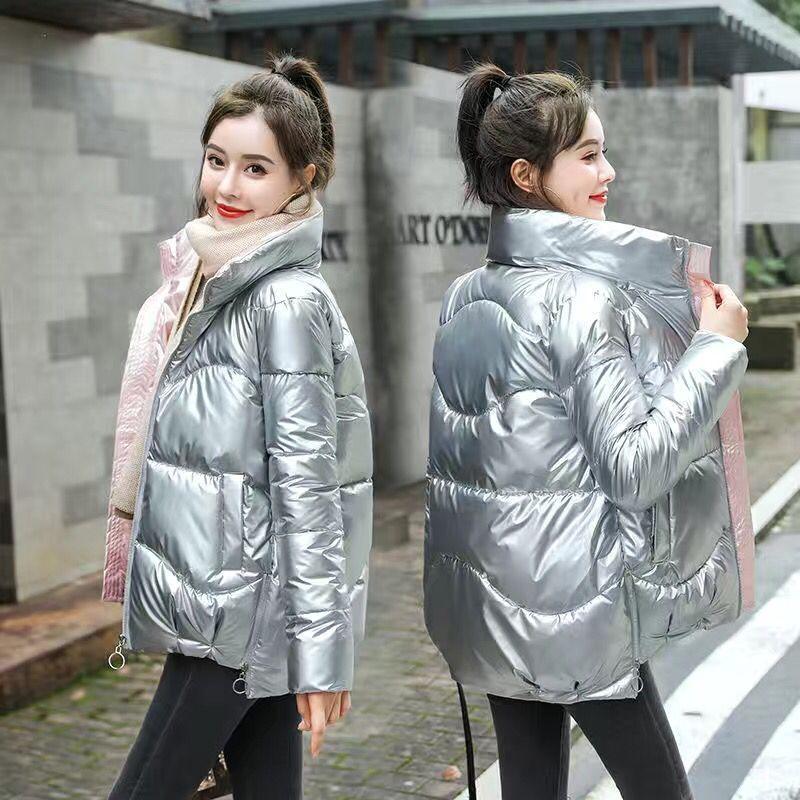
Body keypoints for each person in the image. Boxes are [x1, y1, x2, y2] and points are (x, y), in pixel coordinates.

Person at [423, 64, 752, 800]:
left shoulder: (464, 294)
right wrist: (715, 349)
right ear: (527, 175)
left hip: (492, 600)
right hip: (581, 607)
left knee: (529, 786)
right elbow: (633, 469)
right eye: (589, 155)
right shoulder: (580, 299)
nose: (609, 171)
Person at [100, 54, 373, 800]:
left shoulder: (282, 301)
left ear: (302, 179)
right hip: (230, 608)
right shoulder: (212, 280)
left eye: (256, 169)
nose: (226, 186)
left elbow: (311, 490)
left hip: (240, 617)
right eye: (217, 160)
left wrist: (323, 658)